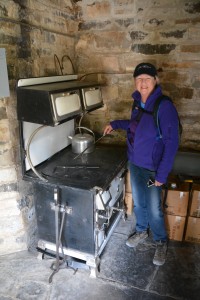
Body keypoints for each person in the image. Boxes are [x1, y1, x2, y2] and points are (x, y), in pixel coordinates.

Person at [103, 62, 179, 266]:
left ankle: (161, 240)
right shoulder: (137, 102)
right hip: (135, 164)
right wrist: (115, 124)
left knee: (154, 208)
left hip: (153, 170)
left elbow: (172, 145)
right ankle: (141, 231)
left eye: (147, 78)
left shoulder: (164, 106)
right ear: (135, 82)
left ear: (156, 80)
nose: (143, 82)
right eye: (139, 79)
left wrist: (162, 176)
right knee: (138, 202)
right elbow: (135, 125)